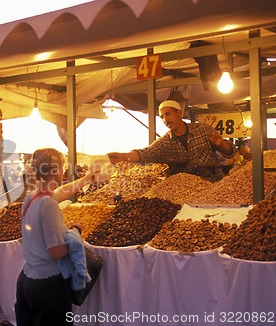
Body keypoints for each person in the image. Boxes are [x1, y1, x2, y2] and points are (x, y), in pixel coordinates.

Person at [15, 148, 96, 325]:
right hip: (47, 286)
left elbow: (59, 192)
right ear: (54, 171)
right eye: (62, 167)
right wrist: (75, 235)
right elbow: (57, 251)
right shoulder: (49, 205)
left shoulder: (31, 198)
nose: (64, 171)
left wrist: (85, 180)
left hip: (27, 280)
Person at [107, 99, 235, 182]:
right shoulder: (164, 143)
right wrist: (124, 156)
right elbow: (146, 153)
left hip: (214, 184)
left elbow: (230, 152)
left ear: (179, 113)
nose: (165, 120)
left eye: (168, 114)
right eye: (162, 117)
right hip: (186, 191)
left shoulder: (203, 129)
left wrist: (221, 144)